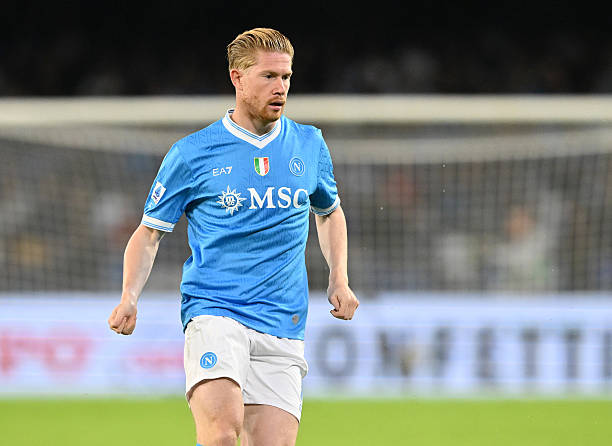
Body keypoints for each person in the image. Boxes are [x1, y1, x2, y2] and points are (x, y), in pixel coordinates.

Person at [107, 28, 359, 446]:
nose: (281, 87)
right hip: (215, 310)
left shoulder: (309, 143)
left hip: (284, 319)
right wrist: (129, 297)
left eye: (286, 77)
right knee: (222, 434)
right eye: (269, 76)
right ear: (237, 78)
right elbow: (149, 233)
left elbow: (329, 212)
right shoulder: (193, 152)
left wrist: (339, 278)